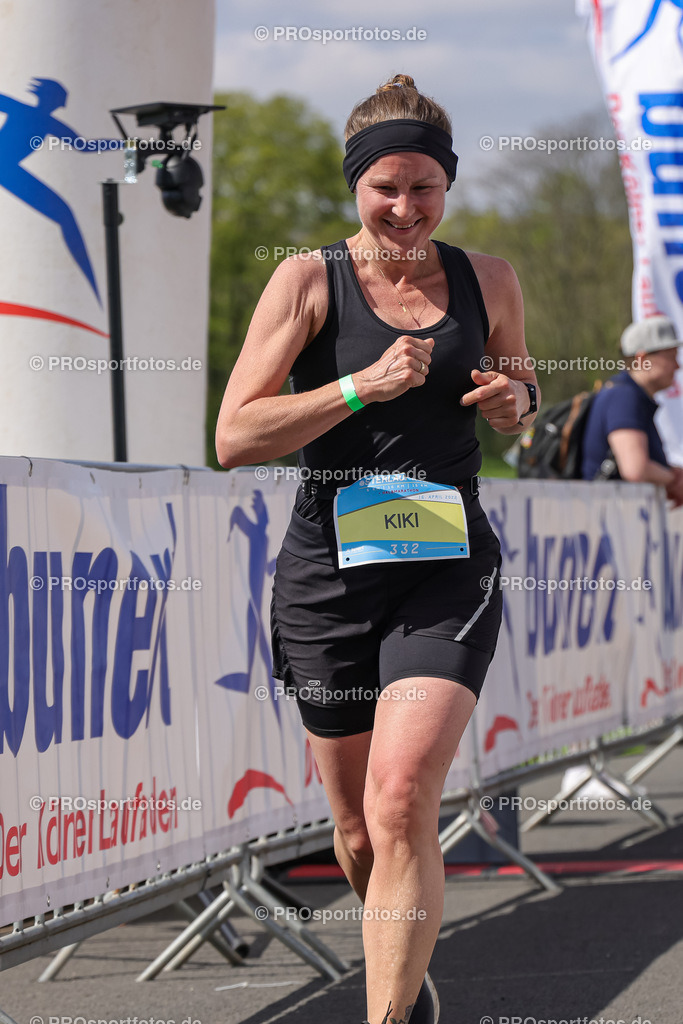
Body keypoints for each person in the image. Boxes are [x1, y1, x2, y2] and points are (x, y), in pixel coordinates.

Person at [216, 74, 539, 1024]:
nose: (404, 209)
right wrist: (357, 389)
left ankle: (386, 1015)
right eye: (384, 188)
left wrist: (514, 406)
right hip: (328, 574)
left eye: (424, 189)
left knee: (402, 802)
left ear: (449, 187)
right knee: (357, 829)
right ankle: (405, 966)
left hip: (445, 565)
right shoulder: (307, 280)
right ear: (354, 185)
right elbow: (234, 437)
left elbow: (519, 401)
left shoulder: (489, 278)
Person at [581, 315, 683, 505]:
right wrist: (675, 480)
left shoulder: (627, 394)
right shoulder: (624, 397)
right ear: (642, 358)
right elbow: (636, 468)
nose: (677, 366)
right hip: (607, 521)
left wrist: (669, 472)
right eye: (671, 357)